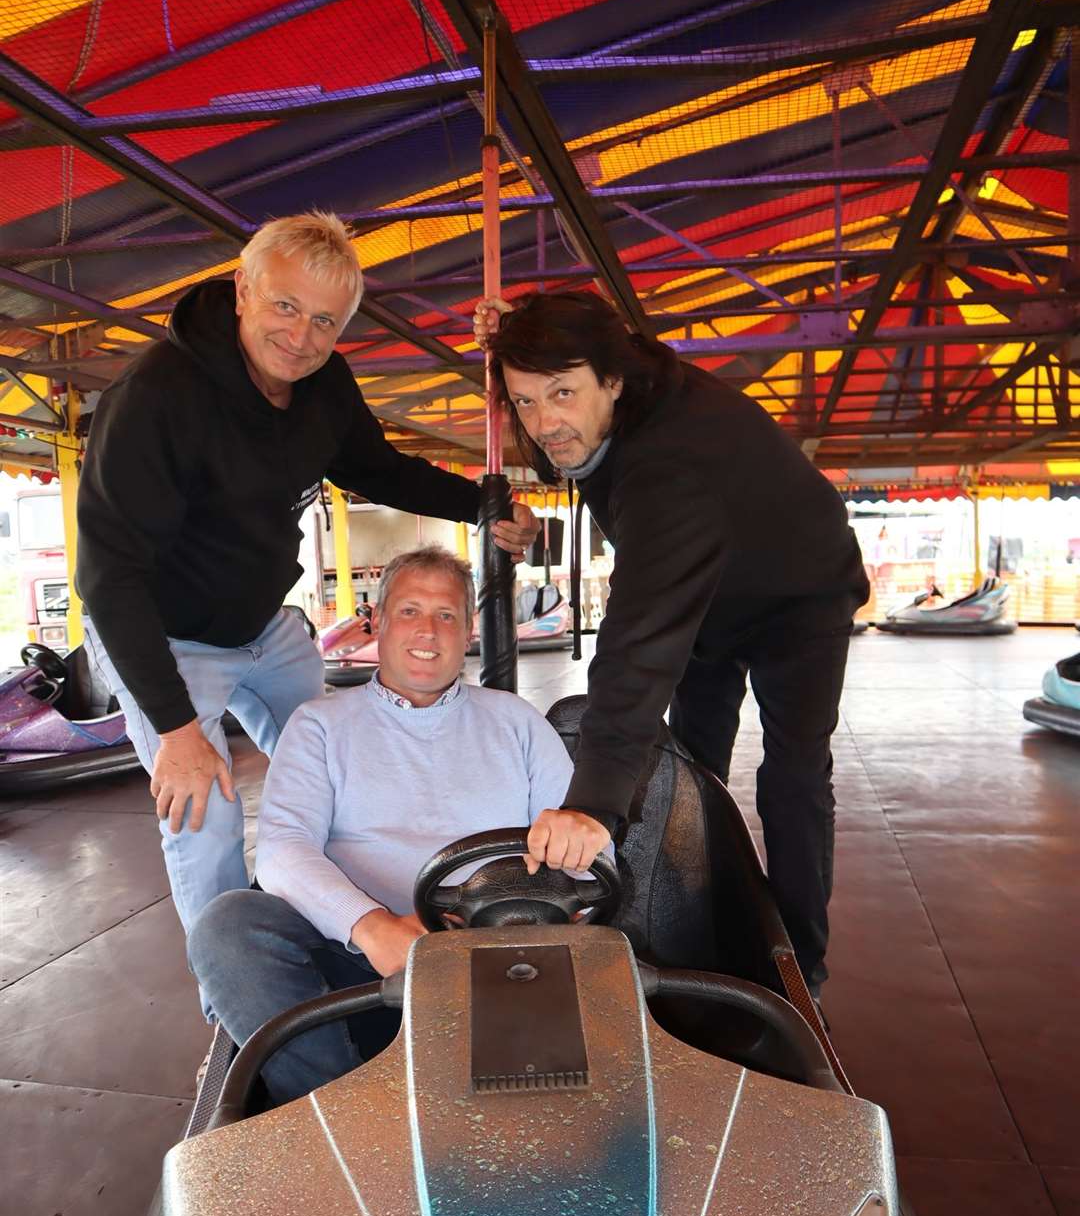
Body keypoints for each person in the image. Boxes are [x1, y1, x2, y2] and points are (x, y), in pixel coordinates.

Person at [76, 211, 538, 972]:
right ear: (242, 291)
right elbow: (108, 573)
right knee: (204, 807)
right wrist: (177, 731)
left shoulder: (324, 385)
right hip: (163, 636)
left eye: (325, 320)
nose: (302, 336)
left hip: (265, 627)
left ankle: (359, 933)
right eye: (285, 307)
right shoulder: (159, 396)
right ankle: (235, 1001)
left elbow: (378, 468)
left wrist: (487, 510)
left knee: (350, 756)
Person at [476, 290, 869, 995]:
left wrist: (593, 803)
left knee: (794, 776)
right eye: (526, 401)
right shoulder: (625, 379)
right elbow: (584, 374)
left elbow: (636, 650)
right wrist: (510, 337)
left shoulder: (669, 469)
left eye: (561, 393)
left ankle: (800, 968)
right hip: (709, 594)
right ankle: (692, 919)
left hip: (800, 593)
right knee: (692, 769)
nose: (546, 422)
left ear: (612, 381)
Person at [187, 546, 579, 1103]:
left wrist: (577, 841)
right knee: (227, 925)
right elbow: (282, 850)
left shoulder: (516, 721)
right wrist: (373, 927)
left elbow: (581, 840)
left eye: (446, 615)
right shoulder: (321, 724)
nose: (429, 630)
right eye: (410, 611)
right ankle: (342, 1109)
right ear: (378, 621)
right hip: (359, 960)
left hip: (497, 952)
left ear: (468, 629)